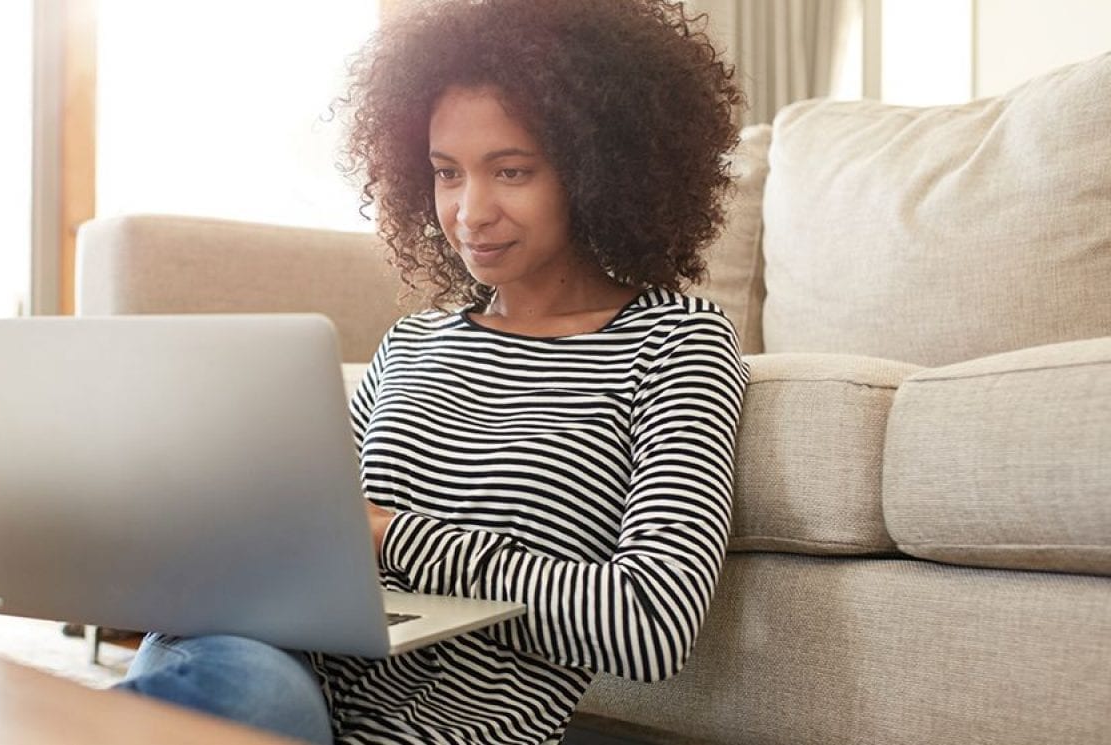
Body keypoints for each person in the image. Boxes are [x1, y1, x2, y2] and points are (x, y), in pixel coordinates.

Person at [114, 0, 750, 743]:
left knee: (253, 700)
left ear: (598, 168)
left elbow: (651, 623)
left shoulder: (676, 344)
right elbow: (315, 528)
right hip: (268, 662)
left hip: (425, 727)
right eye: (447, 174)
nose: (470, 211)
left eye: (510, 171)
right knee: (245, 680)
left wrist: (393, 538)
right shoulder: (412, 343)